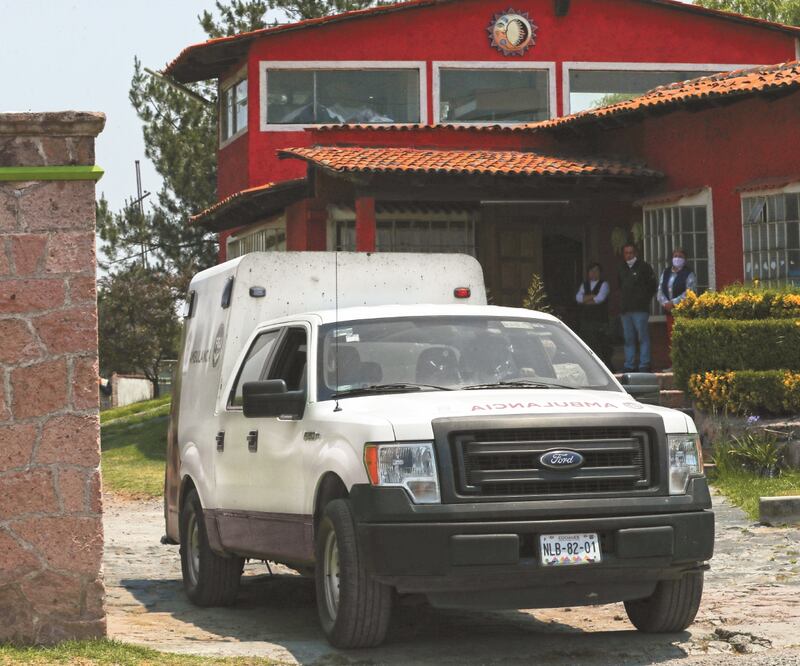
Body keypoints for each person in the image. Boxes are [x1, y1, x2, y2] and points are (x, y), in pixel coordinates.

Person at [618, 243, 658, 373]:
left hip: (640, 309)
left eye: (631, 252)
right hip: (626, 310)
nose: (629, 255)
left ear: (635, 253)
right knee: (629, 339)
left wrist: (643, 299)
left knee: (643, 337)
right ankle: (629, 364)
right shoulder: (621, 268)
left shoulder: (644, 267)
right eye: (626, 253)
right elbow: (619, 285)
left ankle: (644, 364)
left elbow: (653, 285)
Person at [658, 247, 696, 350]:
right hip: (669, 311)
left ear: (685, 259)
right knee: (671, 338)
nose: (677, 258)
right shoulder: (666, 272)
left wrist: (674, 302)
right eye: (675, 256)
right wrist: (665, 303)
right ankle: (672, 364)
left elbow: (690, 292)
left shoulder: (689, 274)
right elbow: (660, 289)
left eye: (680, 256)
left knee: (683, 339)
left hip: (683, 312)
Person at [575, 262, 612, 368]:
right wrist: (592, 296)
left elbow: (599, 299)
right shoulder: (584, 284)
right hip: (586, 320)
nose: (593, 273)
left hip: (600, 321)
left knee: (600, 344)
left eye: (596, 271)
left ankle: (603, 365)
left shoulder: (604, 284)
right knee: (586, 343)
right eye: (591, 271)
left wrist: (586, 300)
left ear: (600, 273)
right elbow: (578, 299)